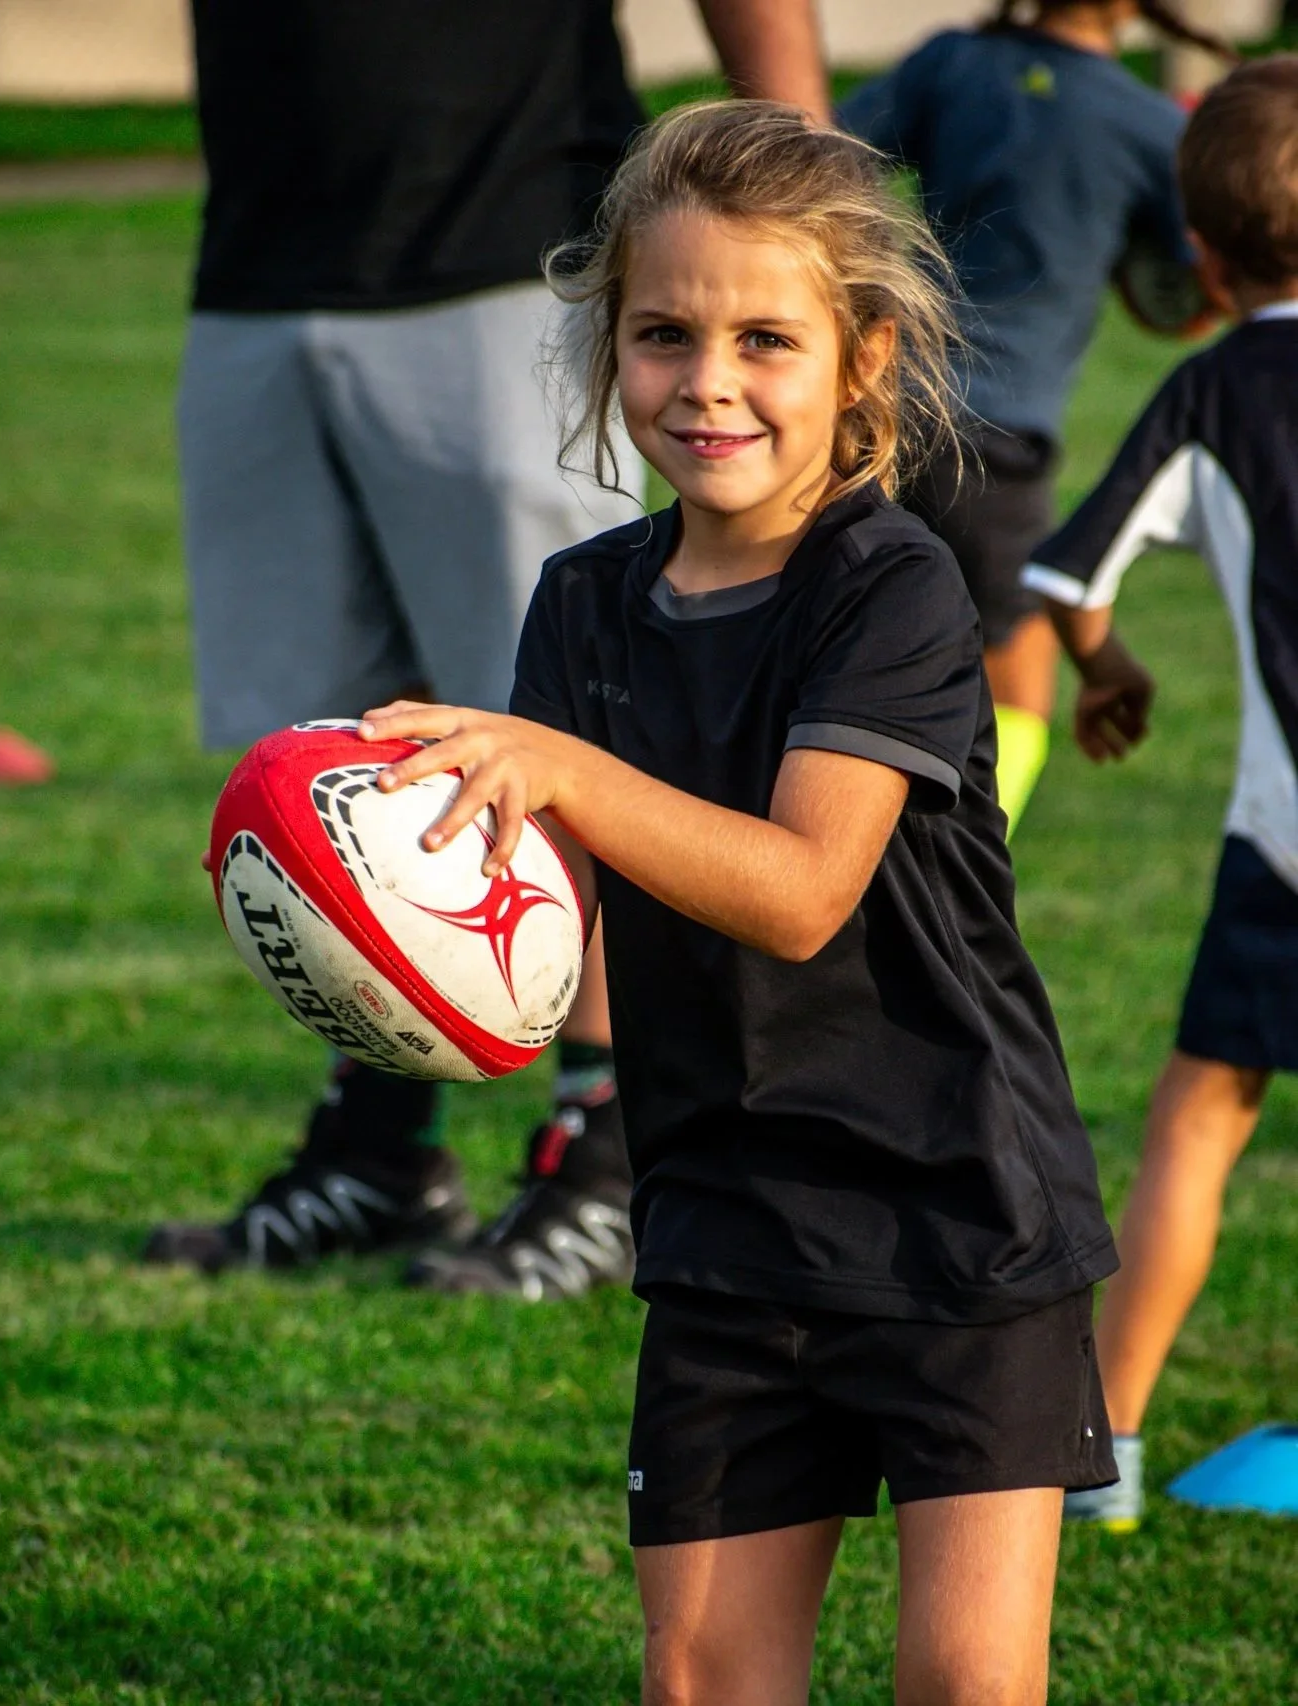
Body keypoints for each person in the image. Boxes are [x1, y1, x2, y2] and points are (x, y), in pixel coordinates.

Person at [358, 102, 1119, 1706]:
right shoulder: (583, 606)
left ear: (866, 357)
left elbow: (797, 892)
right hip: (720, 1220)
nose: (705, 378)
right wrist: (383, 905)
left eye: (763, 336)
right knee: (702, 1681)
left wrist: (556, 767)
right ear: (607, 351)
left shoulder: (891, 584)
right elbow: (548, 922)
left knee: (967, 1681)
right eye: (661, 332)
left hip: (953, 1220)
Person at [145, 0, 831, 1291]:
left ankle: (615, 1153)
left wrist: (794, 156)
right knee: (335, 760)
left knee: (562, 740)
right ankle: (380, 1148)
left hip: (509, 237)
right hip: (258, 254)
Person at [1024, 56, 1298, 1530]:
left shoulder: (1211, 385)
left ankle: (1105, 1452)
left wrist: (1109, 669)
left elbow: (1067, 572)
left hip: (1287, 846)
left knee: (1199, 1117)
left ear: (1198, 259)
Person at [837, 0, 1233, 835]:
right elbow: (1201, 287)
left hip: (881, 405)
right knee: (1017, 666)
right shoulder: (1145, 123)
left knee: (854, 632)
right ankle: (973, 848)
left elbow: (824, 159)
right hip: (1000, 435)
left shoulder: (949, 64)